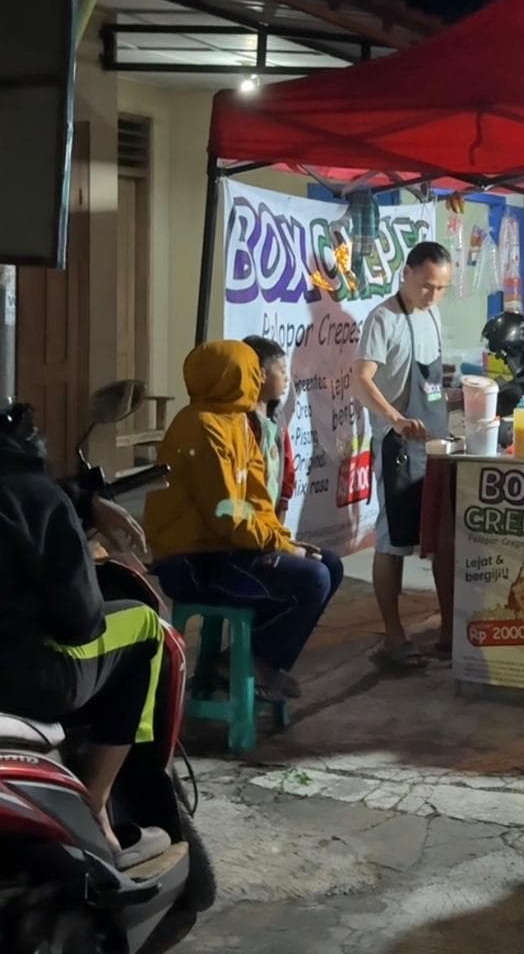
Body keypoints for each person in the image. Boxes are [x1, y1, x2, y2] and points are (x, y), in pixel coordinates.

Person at [0, 402, 169, 867]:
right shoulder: (36, 496)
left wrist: (86, 500)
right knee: (145, 626)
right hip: (30, 676)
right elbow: (81, 623)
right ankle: (97, 806)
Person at [146, 341, 343, 701]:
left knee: (330, 564)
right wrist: (284, 549)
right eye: (252, 371)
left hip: (228, 548)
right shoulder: (202, 426)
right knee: (311, 578)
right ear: (233, 375)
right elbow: (227, 515)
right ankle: (253, 661)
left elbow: (257, 501)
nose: (259, 377)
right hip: (192, 561)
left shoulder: (238, 422)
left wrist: (285, 542)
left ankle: (252, 659)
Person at [354, 241, 453, 669]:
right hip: (397, 445)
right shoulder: (383, 319)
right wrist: (394, 418)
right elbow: (360, 379)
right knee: (393, 540)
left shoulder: (432, 315)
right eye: (427, 285)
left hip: (434, 441)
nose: (433, 295)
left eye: (442, 288)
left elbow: (434, 382)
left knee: (443, 536)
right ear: (406, 274)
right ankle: (394, 635)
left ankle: (450, 631)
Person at [243, 335, 295, 518]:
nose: (286, 378)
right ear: (261, 374)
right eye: (281, 371)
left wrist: (284, 501)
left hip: (273, 513)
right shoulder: (243, 420)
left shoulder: (278, 417)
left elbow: (287, 461)